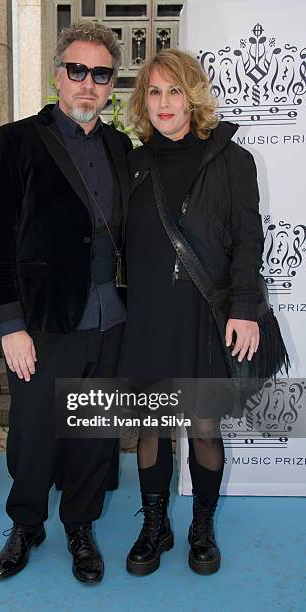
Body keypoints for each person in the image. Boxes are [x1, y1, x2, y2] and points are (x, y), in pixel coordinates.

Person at [0, 21, 132, 584]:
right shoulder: (17, 140)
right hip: (43, 321)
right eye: (77, 71)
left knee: (93, 432)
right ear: (57, 75)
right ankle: (26, 525)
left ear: (110, 82)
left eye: (100, 74)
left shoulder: (121, 146)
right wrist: (9, 324)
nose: (87, 84)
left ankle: (81, 526)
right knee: (34, 431)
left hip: (110, 318)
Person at [118, 49, 264, 576]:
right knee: (152, 426)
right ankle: (154, 525)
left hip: (205, 313)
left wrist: (245, 307)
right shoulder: (131, 163)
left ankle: (202, 525)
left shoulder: (231, 160)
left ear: (193, 96)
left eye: (174, 91)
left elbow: (249, 241)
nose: (163, 103)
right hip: (149, 315)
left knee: (203, 424)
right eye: (153, 92)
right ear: (143, 100)